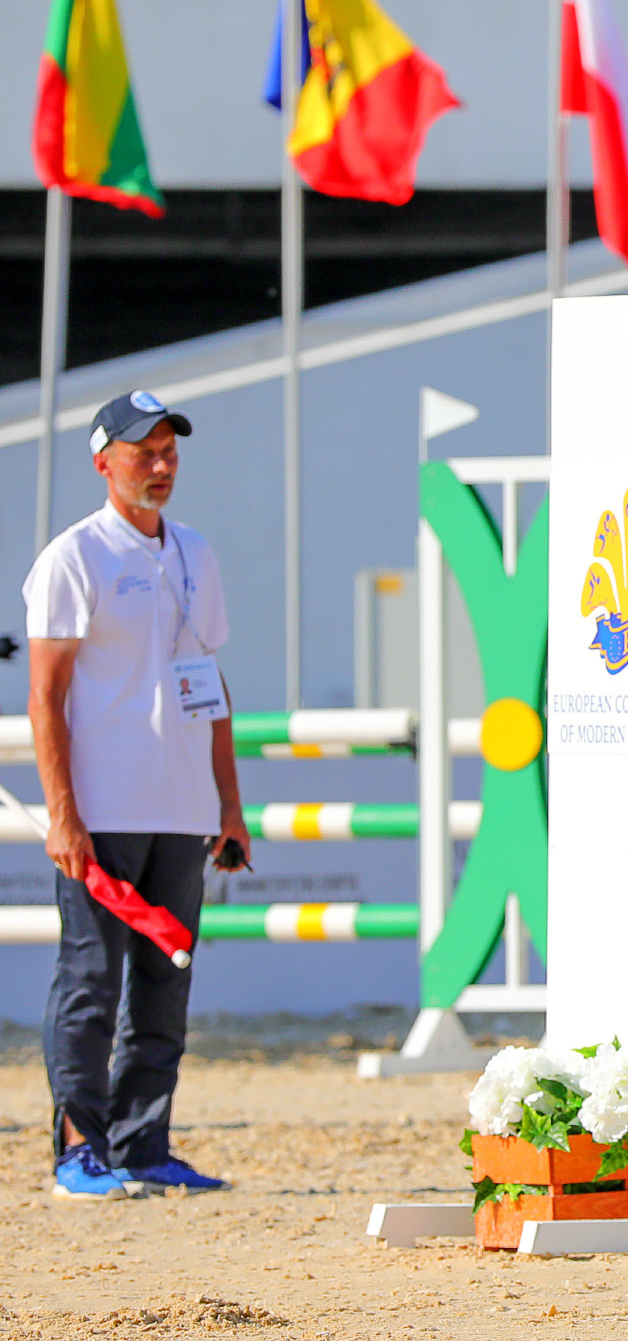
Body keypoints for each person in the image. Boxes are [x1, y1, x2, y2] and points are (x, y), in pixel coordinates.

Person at [25, 392, 248, 1198]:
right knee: (90, 980)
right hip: (101, 810)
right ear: (103, 462)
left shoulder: (195, 551)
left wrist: (228, 803)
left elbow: (213, 684)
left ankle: (142, 1142)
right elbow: (44, 698)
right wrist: (63, 812)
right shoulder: (72, 556)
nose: (160, 466)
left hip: (182, 808)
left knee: (165, 980)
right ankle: (79, 1146)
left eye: (168, 451)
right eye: (143, 452)